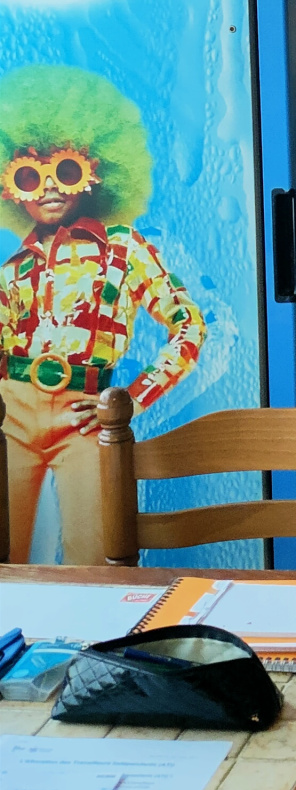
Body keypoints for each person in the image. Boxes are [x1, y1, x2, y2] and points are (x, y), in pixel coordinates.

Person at [0, 65, 205, 563]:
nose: (48, 188)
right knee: (4, 560)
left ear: (94, 173)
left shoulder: (123, 249)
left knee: (97, 559)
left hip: (87, 417)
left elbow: (188, 325)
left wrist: (133, 397)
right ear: (11, 188)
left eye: (66, 170)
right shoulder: (14, 268)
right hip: (11, 414)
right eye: (29, 176)